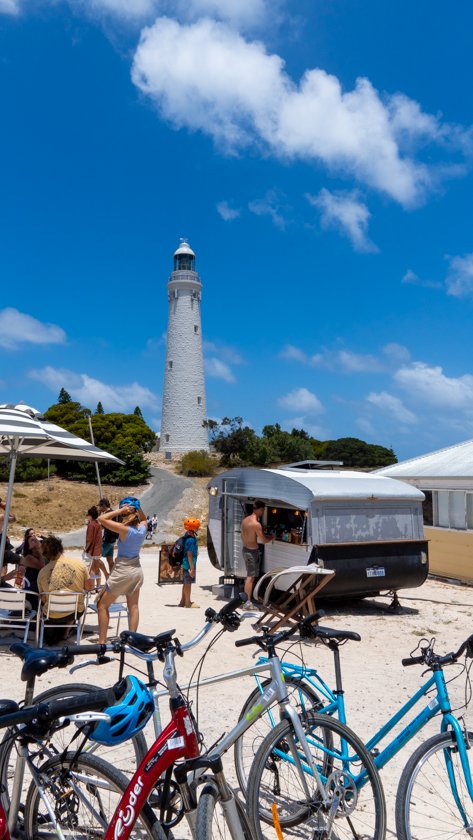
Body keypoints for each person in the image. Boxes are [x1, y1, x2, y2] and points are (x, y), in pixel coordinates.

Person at [97, 497, 147, 643]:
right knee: (133, 606)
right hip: (136, 570)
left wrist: (120, 510)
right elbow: (144, 518)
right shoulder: (142, 528)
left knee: (102, 605)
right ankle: (132, 640)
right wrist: (137, 508)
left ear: (125, 514)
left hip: (123, 570)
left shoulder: (124, 529)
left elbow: (102, 518)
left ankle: (101, 642)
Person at [37, 535, 94, 645]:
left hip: (52, 613)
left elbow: (44, 599)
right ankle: (66, 632)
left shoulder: (42, 572)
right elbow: (89, 587)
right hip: (74, 612)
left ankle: (60, 632)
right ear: (61, 548)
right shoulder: (80, 564)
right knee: (76, 601)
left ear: (45, 555)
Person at [240, 500, 273, 608]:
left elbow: (243, 535)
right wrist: (272, 537)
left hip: (245, 549)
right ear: (259, 509)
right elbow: (264, 540)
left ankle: (246, 600)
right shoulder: (256, 524)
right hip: (251, 551)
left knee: (249, 576)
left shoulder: (245, 520)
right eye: (262, 510)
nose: (263, 512)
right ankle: (247, 603)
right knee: (251, 577)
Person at [178, 517, 200, 609]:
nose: (197, 528)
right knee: (188, 584)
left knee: (185, 582)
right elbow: (189, 554)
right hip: (188, 564)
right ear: (193, 528)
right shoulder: (191, 540)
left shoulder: (187, 535)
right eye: (196, 527)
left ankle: (182, 601)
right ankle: (188, 602)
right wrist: (192, 568)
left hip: (186, 563)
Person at [84, 506, 108, 590]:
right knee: (97, 569)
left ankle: (92, 587)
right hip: (98, 549)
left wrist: (86, 549)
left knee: (91, 569)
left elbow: (89, 539)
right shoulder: (98, 524)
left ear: (90, 515)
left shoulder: (91, 525)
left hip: (92, 550)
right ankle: (98, 586)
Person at [97, 498, 118, 575]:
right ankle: (112, 578)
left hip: (107, 540)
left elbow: (100, 527)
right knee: (110, 560)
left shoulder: (108, 514)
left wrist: (99, 515)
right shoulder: (113, 512)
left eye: (100, 506)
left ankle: (106, 574)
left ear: (104, 505)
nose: (99, 508)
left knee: (96, 559)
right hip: (113, 540)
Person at [22, 529, 45, 596]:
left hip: (41, 586)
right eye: (32, 540)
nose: (35, 540)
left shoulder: (43, 555)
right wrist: (39, 550)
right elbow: (42, 566)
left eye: (35, 539)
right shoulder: (28, 557)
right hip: (32, 589)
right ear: (29, 547)